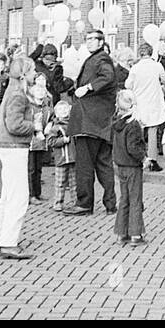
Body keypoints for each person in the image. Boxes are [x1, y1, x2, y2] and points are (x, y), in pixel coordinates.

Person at [0, 56, 37, 259]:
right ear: (24, 74)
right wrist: (34, 127)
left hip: (7, 146)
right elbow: (15, 125)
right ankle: (8, 243)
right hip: (15, 147)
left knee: (7, 195)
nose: (34, 74)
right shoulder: (19, 95)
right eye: (32, 71)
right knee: (19, 196)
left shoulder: (11, 90)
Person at [64, 30, 117, 216]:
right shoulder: (98, 58)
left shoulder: (101, 59)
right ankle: (111, 204)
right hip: (100, 123)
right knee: (103, 163)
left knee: (85, 165)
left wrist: (86, 88)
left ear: (102, 42)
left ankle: (84, 203)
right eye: (88, 39)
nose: (89, 42)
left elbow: (107, 77)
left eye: (93, 39)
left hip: (89, 122)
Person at [111, 89, 148, 245]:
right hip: (132, 167)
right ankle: (135, 234)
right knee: (135, 199)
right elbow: (133, 148)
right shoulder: (132, 125)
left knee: (124, 199)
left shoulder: (117, 122)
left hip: (120, 165)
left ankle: (121, 233)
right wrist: (144, 158)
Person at [125, 42, 165, 172]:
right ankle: (153, 161)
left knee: (138, 131)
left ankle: (138, 158)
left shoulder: (135, 68)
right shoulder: (157, 66)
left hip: (140, 102)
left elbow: (128, 85)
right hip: (154, 102)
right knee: (152, 131)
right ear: (151, 53)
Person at [48, 99, 75, 210]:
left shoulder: (74, 125)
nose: (63, 111)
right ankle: (58, 202)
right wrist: (63, 140)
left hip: (73, 158)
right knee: (60, 182)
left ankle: (75, 201)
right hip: (61, 159)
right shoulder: (55, 128)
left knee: (74, 183)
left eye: (65, 109)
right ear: (56, 113)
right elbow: (51, 142)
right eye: (60, 110)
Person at [27, 74, 51, 203]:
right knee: (31, 168)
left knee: (38, 168)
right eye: (37, 90)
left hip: (42, 141)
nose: (40, 92)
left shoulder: (47, 108)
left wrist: (50, 126)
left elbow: (52, 118)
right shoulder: (30, 107)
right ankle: (31, 195)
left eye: (42, 90)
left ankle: (38, 192)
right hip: (31, 141)